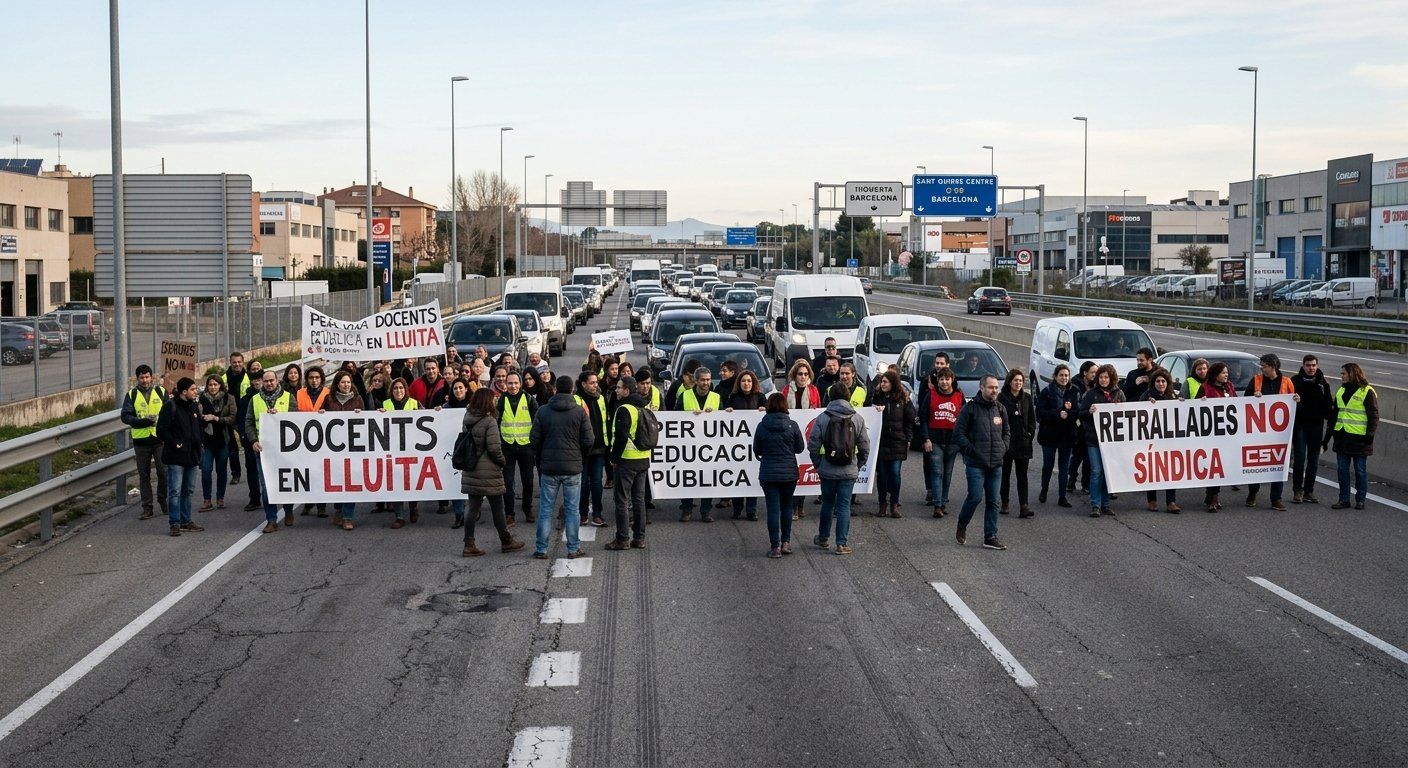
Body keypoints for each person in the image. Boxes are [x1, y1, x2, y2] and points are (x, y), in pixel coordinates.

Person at [531, 376, 593, 559]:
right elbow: (589, 440)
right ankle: (573, 548)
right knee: (573, 510)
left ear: (555, 389)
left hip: (549, 467)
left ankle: (541, 549)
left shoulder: (543, 412)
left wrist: (542, 456)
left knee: (546, 509)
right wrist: (580, 454)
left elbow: (534, 439)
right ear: (572, 389)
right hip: (572, 467)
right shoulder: (579, 412)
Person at [806, 383, 871, 555]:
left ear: (831, 397)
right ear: (848, 396)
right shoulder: (857, 418)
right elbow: (865, 447)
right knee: (843, 506)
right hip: (849, 470)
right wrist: (858, 464)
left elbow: (813, 444)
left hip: (827, 468)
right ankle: (841, 544)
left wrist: (818, 464)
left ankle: (823, 538)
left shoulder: (823, 417)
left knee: (827, 503)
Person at [460, 388, 526, 556]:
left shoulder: (467, 419)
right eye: (493, 398)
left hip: (471, 468)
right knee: (497, 507)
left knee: (473, 507)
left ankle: (469, 544)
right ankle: (506, 541)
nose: (496, 401)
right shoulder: (489, 421)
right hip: (488, 470)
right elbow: (494, 448)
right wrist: (503, 462)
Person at [953, 375, 1010, 550]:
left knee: (993, 501)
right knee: (975, 497)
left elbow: (1006, 431)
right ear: (982, 388)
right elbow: (958, 434)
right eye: (991, 387)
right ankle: (962, 524)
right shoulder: (969, 409)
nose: (994, 391)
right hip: (975, 463)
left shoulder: (1000, 409)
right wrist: (971, 450)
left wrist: (1003, 447)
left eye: (996, 388)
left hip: (996, 463)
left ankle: (990, 536)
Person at [247, 369, 300, 533]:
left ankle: (289, 511)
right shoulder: (254, 400)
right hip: (263, 451)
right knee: (267, 485)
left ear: (277, 381)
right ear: (262, 382)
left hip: (285, 450)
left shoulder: (288, 397)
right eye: (266, 381)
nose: (269, 383)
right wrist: (253, 441)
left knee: (286, 483)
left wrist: (280, 416)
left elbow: (296, 420)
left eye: (272, 380)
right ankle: (271, 519)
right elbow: (248, 422)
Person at [1244, 353, 1300, 511]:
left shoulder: (1287, 382)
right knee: (1256, 464)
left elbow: (1293, 407)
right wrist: (1253, 398)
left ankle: (1276, 498)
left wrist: (1297, 400)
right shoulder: (1256, 380)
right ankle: (1253, 492)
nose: (1261, 368)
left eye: (1264, 366)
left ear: (1273, 366)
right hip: (1258, 432)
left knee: (1279, 464)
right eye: (1261, 366)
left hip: (1279, 434)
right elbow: (1244, 403)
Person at [754, 392, 804, 558]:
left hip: (768, 473)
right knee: (787, 507)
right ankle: (786, 542)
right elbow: (799, 448)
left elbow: (757, 449)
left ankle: (774, 547)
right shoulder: (793, 425)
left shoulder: (762, 426)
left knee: (773, 509)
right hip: (789, 473)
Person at [605, 376, 651, 551]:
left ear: (627, 390)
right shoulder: (642, 406)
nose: (616, 390)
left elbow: (622, 437)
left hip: (627, 460)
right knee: (638, 500)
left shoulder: (624, 409)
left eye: (619, 388)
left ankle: (622, 538)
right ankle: (639, 538)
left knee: (622, 500)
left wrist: (614, 458)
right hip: (643, 458)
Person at [157, 377, 204, 537]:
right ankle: (175, 523)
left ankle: (186, 521)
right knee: (175, 491)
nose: (195, 391)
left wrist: (200, 444)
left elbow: (198, 428)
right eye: (192, 389)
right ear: (184, 392)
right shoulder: (171, 406)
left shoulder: (194, 406)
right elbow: (161, 430)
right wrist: (175, 442)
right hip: (176, 456)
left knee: (188, 490)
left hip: (192, 455)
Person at [1327, 362, 1377, 510]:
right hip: (1342, 438)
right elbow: (1334, 416)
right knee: (1342, 471)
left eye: (1343, 373)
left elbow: (1374, 416)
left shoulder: (1367, 391)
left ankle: (1360, 499)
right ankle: (1344, 499)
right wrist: (1327, 438)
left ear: (1352, 374)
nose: (1341, 376)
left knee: (1360, 471)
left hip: (1360, 439)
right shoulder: (1341, 391)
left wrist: (1370, 436)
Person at [120, 365, 168, 521]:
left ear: (152, 377)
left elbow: (170, 412)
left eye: (147, 377)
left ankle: (163, 500)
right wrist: (141, 422)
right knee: (144, 475)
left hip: (159, 439)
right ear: (137, 378)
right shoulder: (132, 395)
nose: (145, 380)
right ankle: (147, 508)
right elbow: (125, 416)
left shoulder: (161, 392)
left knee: (163, 472)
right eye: (142, 377)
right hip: (141, 442)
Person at [1078, 364, 1125, 518]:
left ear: (1111, 378)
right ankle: (1095, 505)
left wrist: (1121, 408)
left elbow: (1129, 415)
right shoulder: (1091, 394)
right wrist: (1089, 412)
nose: (1103, 380)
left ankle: (1105, 504)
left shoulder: (1119, 394)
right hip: (1094, 440)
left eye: (1106, 377)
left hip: (1112, 441)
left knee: (1107, 471)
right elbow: (1081, 413)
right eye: (1101, 377)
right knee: (1096, 471)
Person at [676, 367, 721, 522]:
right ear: (696, 381)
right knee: (688, 479)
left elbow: (724, 423)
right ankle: (687, 509)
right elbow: (674, 419)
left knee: (707, 479)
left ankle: (706, 511)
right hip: (689, 446)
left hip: (709, 447)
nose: (706, 383)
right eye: (703, 380)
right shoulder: (684, 396)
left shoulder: (716, 397)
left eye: (708, 379)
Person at [323, 370, 365, 530]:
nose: (346, 385)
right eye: (343, 382)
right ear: (337, 384)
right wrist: (321, 414)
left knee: (350, 480)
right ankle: (338, 509)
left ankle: (348, 517)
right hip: (333, 448)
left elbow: (367, 420)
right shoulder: (329, 399)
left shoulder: (358, 399)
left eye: (348, 382)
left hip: (352, 447)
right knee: (337, 480)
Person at [920, 368, 964, 518]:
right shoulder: (930, 395)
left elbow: (964, 419)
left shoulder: (959, 396)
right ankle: (937, 505)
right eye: (941, 379)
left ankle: (944, 501)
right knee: (937, 471)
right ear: (937, 381)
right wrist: (926, 438)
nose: (944, 382)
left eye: (947, 379)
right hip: (935, 440)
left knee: (948, 473)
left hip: (953, 441)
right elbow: (924, 418)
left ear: (952, 379)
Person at [497, 370, 539, 526]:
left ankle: (527, 508)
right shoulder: (501, 400)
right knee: (507, 483)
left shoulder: (528, 400)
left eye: (515, 383)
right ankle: (509, 514)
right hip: (507, 446)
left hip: (526, 446)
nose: (513, 386)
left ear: (520, 384)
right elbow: (496, 422)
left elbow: (537, 423)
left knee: (528, 481)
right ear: (505, 384)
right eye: (510, 383)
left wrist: (534, 444)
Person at [872, 370, 916, 518]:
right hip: (881, 442)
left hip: (898, 442)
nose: (882, 385)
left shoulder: (903, 399)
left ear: (892, 383)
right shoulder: (877, 397)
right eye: (881, 382)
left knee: (895, 474)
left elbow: (910, 419)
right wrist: (874, 409)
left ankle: (894, 504)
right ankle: (882, 503)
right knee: (882, 475)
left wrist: (908, 437)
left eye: (885, 382)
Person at [1290, 355, 1333, 505]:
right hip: (1300, 426)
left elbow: (1328, 406)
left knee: (1313, 461)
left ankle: (1309, 490)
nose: (1311, 368)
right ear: (1303, 366)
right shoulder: (1294, 381)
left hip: (1316, 426)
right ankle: (1297, 490)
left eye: (1314, 365)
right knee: (1300, 459)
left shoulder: (1322, 383)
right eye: (1308, 365)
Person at [724, 370, 766, 521]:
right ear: (739, 383)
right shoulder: (732, 397)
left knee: (752, 477)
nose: (746, 383)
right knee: (738, 478)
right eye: (743, 381)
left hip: (754, 446)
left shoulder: (761, 398)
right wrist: (727, 412)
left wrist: (764, 410)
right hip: (736, 447)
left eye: (749, 381)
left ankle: (751, 510)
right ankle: (737, 509)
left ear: (753, 383)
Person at [379, 378, 421, 529]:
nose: (398, 391)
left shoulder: (415, 404)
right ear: (392, 390)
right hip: (392, 450)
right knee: (396, 483)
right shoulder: (385, 404)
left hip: (411, 449)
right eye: (395, 388)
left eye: (401, 388)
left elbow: (428, 419)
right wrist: (379, 414)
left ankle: (413, 507)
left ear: (405, 389)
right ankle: (399, 516)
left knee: (411, 481)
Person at [1036, 364, 1077, 510]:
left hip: (1066, 436)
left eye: (1066, 375)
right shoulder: (1047, 392)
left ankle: (1062, 496)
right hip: (1049, 435)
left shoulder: (1074, 391)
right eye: (1061, 375)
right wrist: (1057, 413)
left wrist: (1070, 412)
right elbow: (1040, 413)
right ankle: (1044, 489)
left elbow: (1077, 412)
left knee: (1064, 468)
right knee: (1048, 465)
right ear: (1055, 376)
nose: (1064, 378)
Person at [1140, 368, 1182, 513]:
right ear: (1154, 382)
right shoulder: (1146, 395)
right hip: (1152, 440)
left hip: (1169, 440)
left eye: (1163, 381)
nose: (1161, 384)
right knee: (1152, 470)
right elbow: (1138, 412)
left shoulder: (1172, 396)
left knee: (1170, 470)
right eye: (1158, 381)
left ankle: (1171, 501)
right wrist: (1147, 403)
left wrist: (1182, 403)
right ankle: (1152, 500)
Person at [1198, 362, 1238, 513]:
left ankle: (1213, 496)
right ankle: (1212, 497)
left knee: (1221, 466)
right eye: (1223, 373)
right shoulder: (1205, 388)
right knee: (1213, 465)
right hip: (1211, 434)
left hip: (1226, 434)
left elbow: (1237, 405)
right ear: (1215, 375)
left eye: (1227, 372)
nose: (1226, 375)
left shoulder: (1230, 387)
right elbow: (1193, 408)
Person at [997, 369, 1036, 518]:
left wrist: (1030, 434)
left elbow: (1032, 419)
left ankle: (1024, 505)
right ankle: (1004, 502)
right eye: (1016, 380)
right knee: (1005, 475)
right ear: (1009, 381)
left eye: (1020, 380)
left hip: (1023, 443)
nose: (1018, 383)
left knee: (1022, 475)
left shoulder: (1026, 398)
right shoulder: (1001, 398)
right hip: (1007, 443)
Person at [294, 366, 331, 519]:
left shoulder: (328, 393)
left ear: (321, 379)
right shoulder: (299, 393)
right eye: (311, 378)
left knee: (321, 472)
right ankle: (308, 503)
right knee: (307, 472)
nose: (314, 380)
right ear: (307, 379)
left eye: (317, 377)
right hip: (304, 439)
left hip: (324, 440)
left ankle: (321, 506)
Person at [574, 371, 610, 527]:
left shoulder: (601, 399)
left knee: (596, 482)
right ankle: (582, 514)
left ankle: (597, 513)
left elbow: (606, 422)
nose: (595, 385)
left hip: (599, 449)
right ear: (583, 384)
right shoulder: (576, 400)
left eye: (596, 382)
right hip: (582, 450)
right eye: (592, 383)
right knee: (582, 484)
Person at [197, 375, 236, 511]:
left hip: (223, 439)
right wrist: (202, 417)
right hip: (207, 441)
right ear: (207, 386)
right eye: (210, 385)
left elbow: (232, 418)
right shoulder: (201, 399)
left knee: (221, 471)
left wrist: (216, 418)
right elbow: (196, 418)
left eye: (215, 384)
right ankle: (207, 500)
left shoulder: (228, 398)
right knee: (206, 470)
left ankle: (220, 498)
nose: (213, 387)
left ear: (220, 385)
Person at [1066, 361, 1097, 496]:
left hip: (1090, 427)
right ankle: (1071, 480)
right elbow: (1075, 406)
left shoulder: (1095, 386)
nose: (1095, 375)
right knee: (1077, 456)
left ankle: (1086, 484)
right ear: (1085, 373)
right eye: (1093, 372)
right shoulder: (1075, 386)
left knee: (1088, 458)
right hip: (1078, 426)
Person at [236, 360, 264, 511]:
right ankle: (254, 498)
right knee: (251, 469)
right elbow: (241, 419)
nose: (258, 382)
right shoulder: (245, 399)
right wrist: (242, 435)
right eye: (255, 380)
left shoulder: (269, 396)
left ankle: (271, 496)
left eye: (260, 379)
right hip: (250, 440)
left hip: (267, 439)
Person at [222, 352, 250, 484]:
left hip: (244, 416)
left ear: (243, 362)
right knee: (232, 448)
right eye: (234, 362)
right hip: (228, 417)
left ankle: (251, 470)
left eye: (239, 362)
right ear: (230, 362)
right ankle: (236, 474)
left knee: (248, 444)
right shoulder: (223, 379)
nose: (237, 364)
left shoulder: (248, 377)